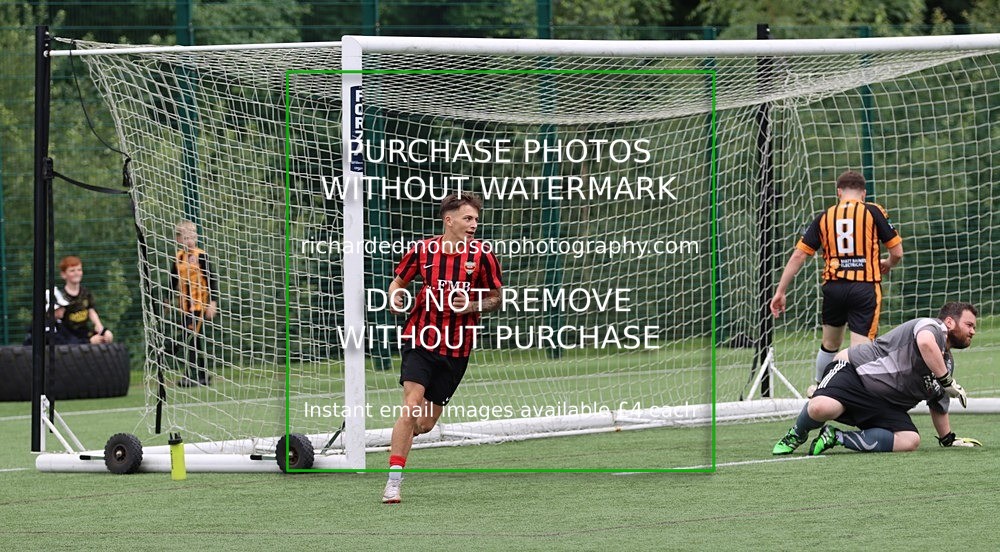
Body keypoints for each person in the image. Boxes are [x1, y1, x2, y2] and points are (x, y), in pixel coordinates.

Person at [381, 193, 503, 504]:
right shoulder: (423, 251)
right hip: (420, 339)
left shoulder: (483, 256)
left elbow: (497, 298)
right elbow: (398, 283)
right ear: (449, 220)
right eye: (467, 218)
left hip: (457, 349)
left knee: (423, 423)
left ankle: (403, 437)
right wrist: (394, 296)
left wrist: (472, 305)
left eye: (475, 219)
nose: (474, 224)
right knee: (410, 405)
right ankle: (393, 482)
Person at [772, 301, 982, 456]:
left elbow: (937, 403)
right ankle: (798, 433)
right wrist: (946, 380)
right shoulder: (932, 327)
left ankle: (836, 437)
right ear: (949, 322)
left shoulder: (946, 363)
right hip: (854, 374)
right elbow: (926, 344)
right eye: (969, 325)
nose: (973, 331)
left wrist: (948, 439)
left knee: (910, 440)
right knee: (822, 408)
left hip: (883, 404)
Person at [770, 170, 904, 393]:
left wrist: (780, 291)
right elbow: (897, 251)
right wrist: (888, 264)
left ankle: (820, 387)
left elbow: (798, 255)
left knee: (830, 344)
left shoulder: (825, 216)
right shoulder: (872, 211)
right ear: (863, 193)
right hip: (864, 287)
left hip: (833, 288)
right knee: (860, 348)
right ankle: (855, 394)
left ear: (839, 192)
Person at [171, 220, 218, 387]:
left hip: (200, 305)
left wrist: (213, 302)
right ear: (179, 240)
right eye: (186, 237)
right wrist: (168, 300)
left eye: (192, 236)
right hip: (185, 307)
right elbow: (173, 280)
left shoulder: (201, 255)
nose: (190, 240)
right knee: (192, 340)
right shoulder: (178, 257)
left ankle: (192, 375)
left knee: (190, 337)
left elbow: (212, 279)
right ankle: (202, 376)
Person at [41, 255, 114, 345]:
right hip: (69, 334)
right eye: (72, 271)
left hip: (85, 332)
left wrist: (98, 326)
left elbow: (91, 310)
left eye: (79, 270)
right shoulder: (60, 297)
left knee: (108, 336)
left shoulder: (86, 293)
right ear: (63, 274)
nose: (76, 273)